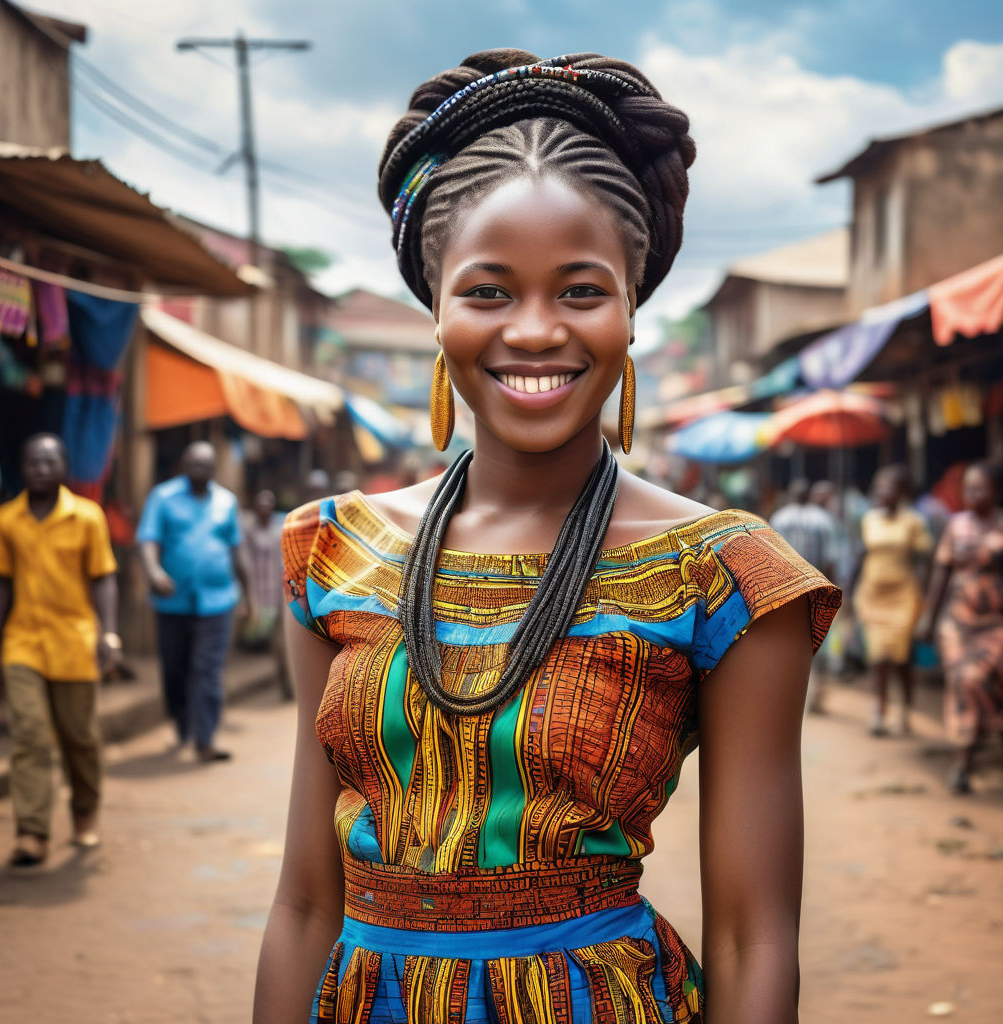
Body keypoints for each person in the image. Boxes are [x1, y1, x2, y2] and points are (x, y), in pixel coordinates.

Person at [254, 50, 840, 1024]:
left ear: (631, 307)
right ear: (434, 309)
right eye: (488, 291)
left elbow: (753, 936)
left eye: (579, 289)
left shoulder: (723, 576)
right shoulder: (332, 554)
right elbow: (307, 898)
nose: (534, 330)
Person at [0, 434, 120, 866]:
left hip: (75, 641)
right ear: (21, 469)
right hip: (21, 642)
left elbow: (102, 578)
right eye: (32, 461)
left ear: (63, 467)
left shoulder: (87, 517)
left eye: (49, 460)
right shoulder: (6, 520)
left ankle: (84, 813)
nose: (40, 467)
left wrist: (109, 633)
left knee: (79, 738)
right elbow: (1, 586)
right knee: (30, 735)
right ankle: (32, 832)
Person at [136, 442, 254, 762]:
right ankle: (182, 721)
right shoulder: (163, 497)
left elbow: (236, 549)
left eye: (205, 466)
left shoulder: (226, 501)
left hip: (218, 601)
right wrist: (154, 571)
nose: (198, 471)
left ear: (214, 470)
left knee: (207, 669)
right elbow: (148, 540)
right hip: (172, 601)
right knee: (175, 669)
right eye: (193, 464)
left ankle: (205, 739)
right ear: (183, 466)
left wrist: (249, 595)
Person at [917, 462, 1003, 793]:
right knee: (964, 681)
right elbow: (942, 572)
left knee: (982, 681)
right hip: (958, 621)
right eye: (967, 488)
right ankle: (963, 760)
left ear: (996, 491)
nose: (971, 495)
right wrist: (929, 617)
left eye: (979, 488)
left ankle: (978, 735)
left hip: (994, 623)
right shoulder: (956, 526)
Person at [850, 464, 932, 736]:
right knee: (878, 656)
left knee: (901, 657)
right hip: (872, 594)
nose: (884, 492)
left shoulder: (914, 522)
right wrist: (848, 593)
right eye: (881, 486)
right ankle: (880, 709)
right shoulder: (869, 520)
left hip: (903, 597)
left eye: (891, 487)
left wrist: (925, 599)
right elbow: (861, 557)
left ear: (902, 492)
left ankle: (906, 708)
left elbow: (924, 562)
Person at [772, 479, 838, 712]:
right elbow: (831, 559)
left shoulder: (780, 517)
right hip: (815, 587)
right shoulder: (822, 519)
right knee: (817, 641)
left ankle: (788, 695)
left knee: (787, 641)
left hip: (786, 589)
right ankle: (814, 697)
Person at [241, 489, 291, 700]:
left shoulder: (281, 530)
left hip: (281, 598)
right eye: (260, 505)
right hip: (258, 598)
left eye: (268, 505)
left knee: (283, 647)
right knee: (269, 644)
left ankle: (288, 685)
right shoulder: (247, 531)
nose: (264, 509)